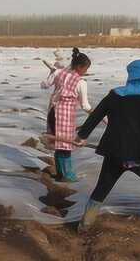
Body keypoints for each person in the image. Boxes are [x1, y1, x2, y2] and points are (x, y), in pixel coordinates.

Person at [76, 59, 140, 231]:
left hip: (114, 153)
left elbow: (95, 116)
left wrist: (82, 135)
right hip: (139, 155)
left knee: (102, 189)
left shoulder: (114, 95)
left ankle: (84, 226)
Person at [42, 47, 92, 182]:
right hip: (65, 117)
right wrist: (94, 113)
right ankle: (67, 176)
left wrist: (51, 73)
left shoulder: (59, 73)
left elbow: (44, 85)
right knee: (65, 147)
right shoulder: (81, 83)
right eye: (86, 69)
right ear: (80, 67)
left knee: (59, 144)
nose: (86, 72)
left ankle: (60, 174)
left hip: (53, 112)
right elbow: (85, 105)